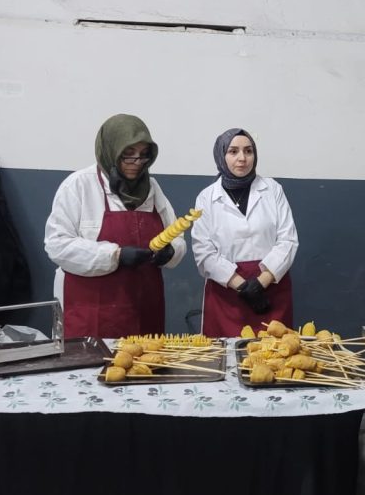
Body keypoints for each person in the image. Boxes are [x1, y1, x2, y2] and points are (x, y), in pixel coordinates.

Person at [44, 114, 186, 338]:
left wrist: (171, 251)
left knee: (144, 359)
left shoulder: (151, 187)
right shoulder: (79, 185)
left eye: (143, 155)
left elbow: (176, 235)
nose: (136, 163)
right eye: (128, 154)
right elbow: (57, 245)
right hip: (91, 311)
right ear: (111, 150)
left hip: (144, 306)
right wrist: (115, 256)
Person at [192, 128, 298, 336]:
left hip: (271, 289)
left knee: (274, 352)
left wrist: (260, 283)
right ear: (221, 155)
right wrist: (243, 287)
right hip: (226, 293)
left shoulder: (273, 189)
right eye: (233, 151)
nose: (242, 158)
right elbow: (204, 252)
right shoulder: (206, 198)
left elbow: (288, 240)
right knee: (227, 354)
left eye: (248, 151)